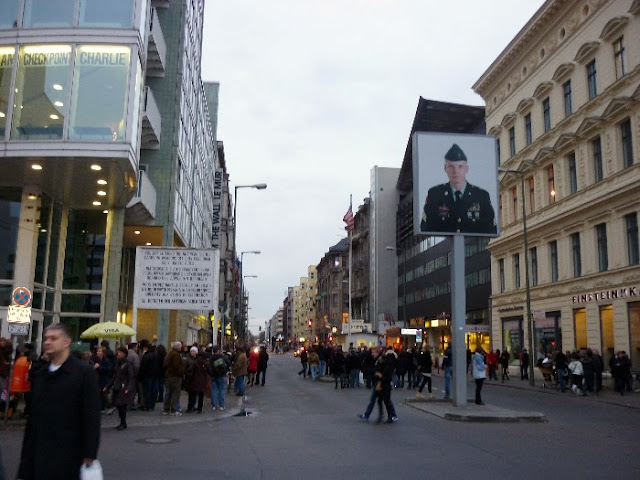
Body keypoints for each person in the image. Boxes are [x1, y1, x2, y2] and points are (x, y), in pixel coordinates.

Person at [18, 323, 101, 479]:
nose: (47, 342)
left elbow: (91, 416)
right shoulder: (41, 374)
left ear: (66, 342)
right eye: (46, 338)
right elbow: (33, 421)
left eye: (53, 338)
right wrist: (25, 463)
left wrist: (89, 453)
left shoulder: (83, 372)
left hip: (69, 453)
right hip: (40, 453)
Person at [420, 143, 497, 234]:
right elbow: (425, 228)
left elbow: (491, 229)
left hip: (473, 245)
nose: (455, 171)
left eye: (460, 166)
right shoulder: (435, 194)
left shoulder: (481, 195)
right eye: (451, 166)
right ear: (445, 168)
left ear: (466, 169)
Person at [107, 347, 136, 430]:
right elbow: (115, 376)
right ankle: (122, 422)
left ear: (124, 354)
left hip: (123, 387)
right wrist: (108, 385)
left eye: (120, 352)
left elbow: (131, 377)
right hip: (117, 386)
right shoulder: (117, 363)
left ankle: (123, 423)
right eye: (118, 352)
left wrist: (128, 387)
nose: (118, 354)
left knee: (121, 405)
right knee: (118, 405)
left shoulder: (128, 364)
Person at [163, 341, 185, 415]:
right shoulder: (176, 355)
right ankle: (174, 409)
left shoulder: (169, 354)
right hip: (175, 377)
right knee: (175, 393)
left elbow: (165, 364)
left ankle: (166, 409)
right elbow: (177, 366)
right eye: (180, 347)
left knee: (168, 393)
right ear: (178, 347)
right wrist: (181, 372)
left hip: (169, 376)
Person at [209, 345, 230, 410]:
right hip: (221, 375)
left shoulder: (211, 358)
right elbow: (228, 364)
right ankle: (221, 405)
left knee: (214, 390)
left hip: (213, 375)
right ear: (218, 350)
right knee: (222, 390)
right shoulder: (223, 357)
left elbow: (209, 366)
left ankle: (214, 405)